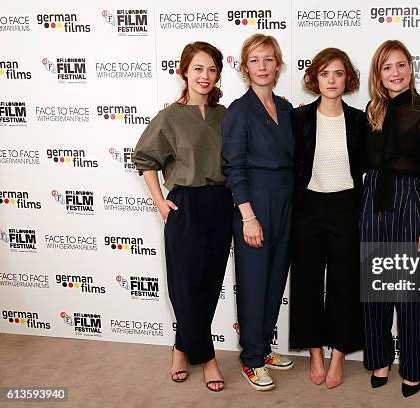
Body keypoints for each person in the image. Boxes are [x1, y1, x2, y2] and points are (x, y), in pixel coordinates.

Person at [132, 42, 232, 392]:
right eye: (198, 69)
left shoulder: (225, 115)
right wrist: (160, 202)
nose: (205, 76)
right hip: (185, 205)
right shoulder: (169, 116)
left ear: (218, 74)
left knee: (207, 285)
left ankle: (179, 347)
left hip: (220, 204)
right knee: (185, 287)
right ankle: (208, 358)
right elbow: (145, 160)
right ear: (184, 72)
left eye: (212, 70)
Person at [361, 40, 420, 398]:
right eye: (387, 68)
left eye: (400, 66)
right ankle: (380, 360)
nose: (395, 73)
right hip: (373, 199)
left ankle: (413, 367)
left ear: (411, 69)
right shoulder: (373, 109)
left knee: (412, 293)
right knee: (375, 289)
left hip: (412, 202)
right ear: (378, 74)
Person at [289, 48, 366, 389]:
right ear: (314, 79)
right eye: (324, 73)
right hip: (308, 206)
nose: (331, 80)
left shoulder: (359, 120)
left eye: (338, 73)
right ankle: (316, 353)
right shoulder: (299, 118)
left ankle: (338, 357)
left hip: (346, 207)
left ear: (347, 78)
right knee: (306, 282)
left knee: (344, 284)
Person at [221, 34, 294, 392]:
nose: (262, 66)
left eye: (268, 59)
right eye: (255, 60)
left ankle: (263, 349)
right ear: (245, 67)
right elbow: (234, 167)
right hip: (254, 203)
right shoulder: (239, 110)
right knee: (252, 283)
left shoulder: (286, 108)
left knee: (275, 279)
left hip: (285, 201)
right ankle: (251, 359)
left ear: (277, 64)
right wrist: (248, 216)